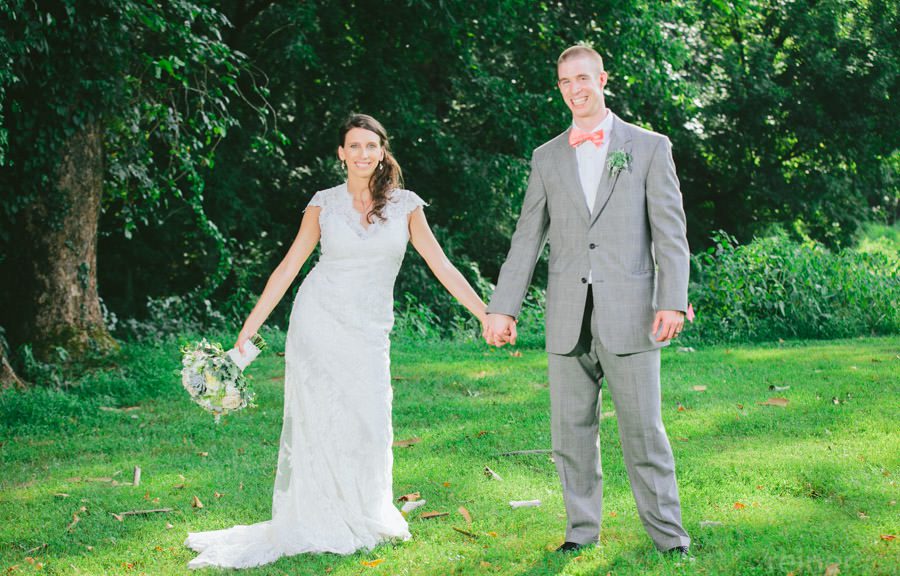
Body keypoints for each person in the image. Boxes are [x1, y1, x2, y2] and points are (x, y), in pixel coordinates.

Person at [185, 113, 488, 569]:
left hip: (369, 331)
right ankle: (318, 515)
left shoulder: (406, 206)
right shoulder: (323, 204)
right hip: (319, 321)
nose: (364, 153)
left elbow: (441, 265)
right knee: (321, 418)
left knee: (368, 416)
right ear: (341, 154)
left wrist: (484, 313)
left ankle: (365, 510)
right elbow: (289, 266)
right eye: (355, 146)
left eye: (372, 145)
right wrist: (251, 324)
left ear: (382, 151)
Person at [483, 45, 692, 557]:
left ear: (602, 79)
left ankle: (670, 540)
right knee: (571, 437)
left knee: (644, 434)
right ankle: (580, 533)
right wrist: (502, 306)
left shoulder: (648, 146)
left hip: (633, 312)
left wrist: (672, 299)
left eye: (583, 78)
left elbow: (670, 234)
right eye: (564, 82)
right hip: (566, 317)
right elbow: (527, 238)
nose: (575, 89)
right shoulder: (547, 156)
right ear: (560, 88)